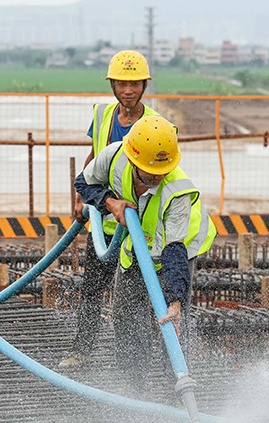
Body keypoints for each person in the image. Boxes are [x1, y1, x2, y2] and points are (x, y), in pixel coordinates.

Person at [73, 116, 216, 395]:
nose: (156, 177)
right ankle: (134, 386)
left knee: (171, 322)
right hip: (135, 247)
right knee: (125, 314)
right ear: (133, 159)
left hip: (177, 249)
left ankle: (173, 388)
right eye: (150, 172)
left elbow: (175, 249)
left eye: (162, 170)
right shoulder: (114, 156)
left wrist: (174, 301)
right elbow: (84, 183)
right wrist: (110, 203)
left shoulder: (177, 192)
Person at [59, 50, 166, 369]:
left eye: (134, 84)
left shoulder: (156, 124)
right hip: (104, 223)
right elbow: (94, 157)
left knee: (138, 300)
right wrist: (81, 201)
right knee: (92, 290)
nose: (128, 91)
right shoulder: (104, 115)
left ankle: (139, 360)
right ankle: (82, 350)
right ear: (112, 85)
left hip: (139, 229)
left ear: (145, 85)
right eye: (121, 84)